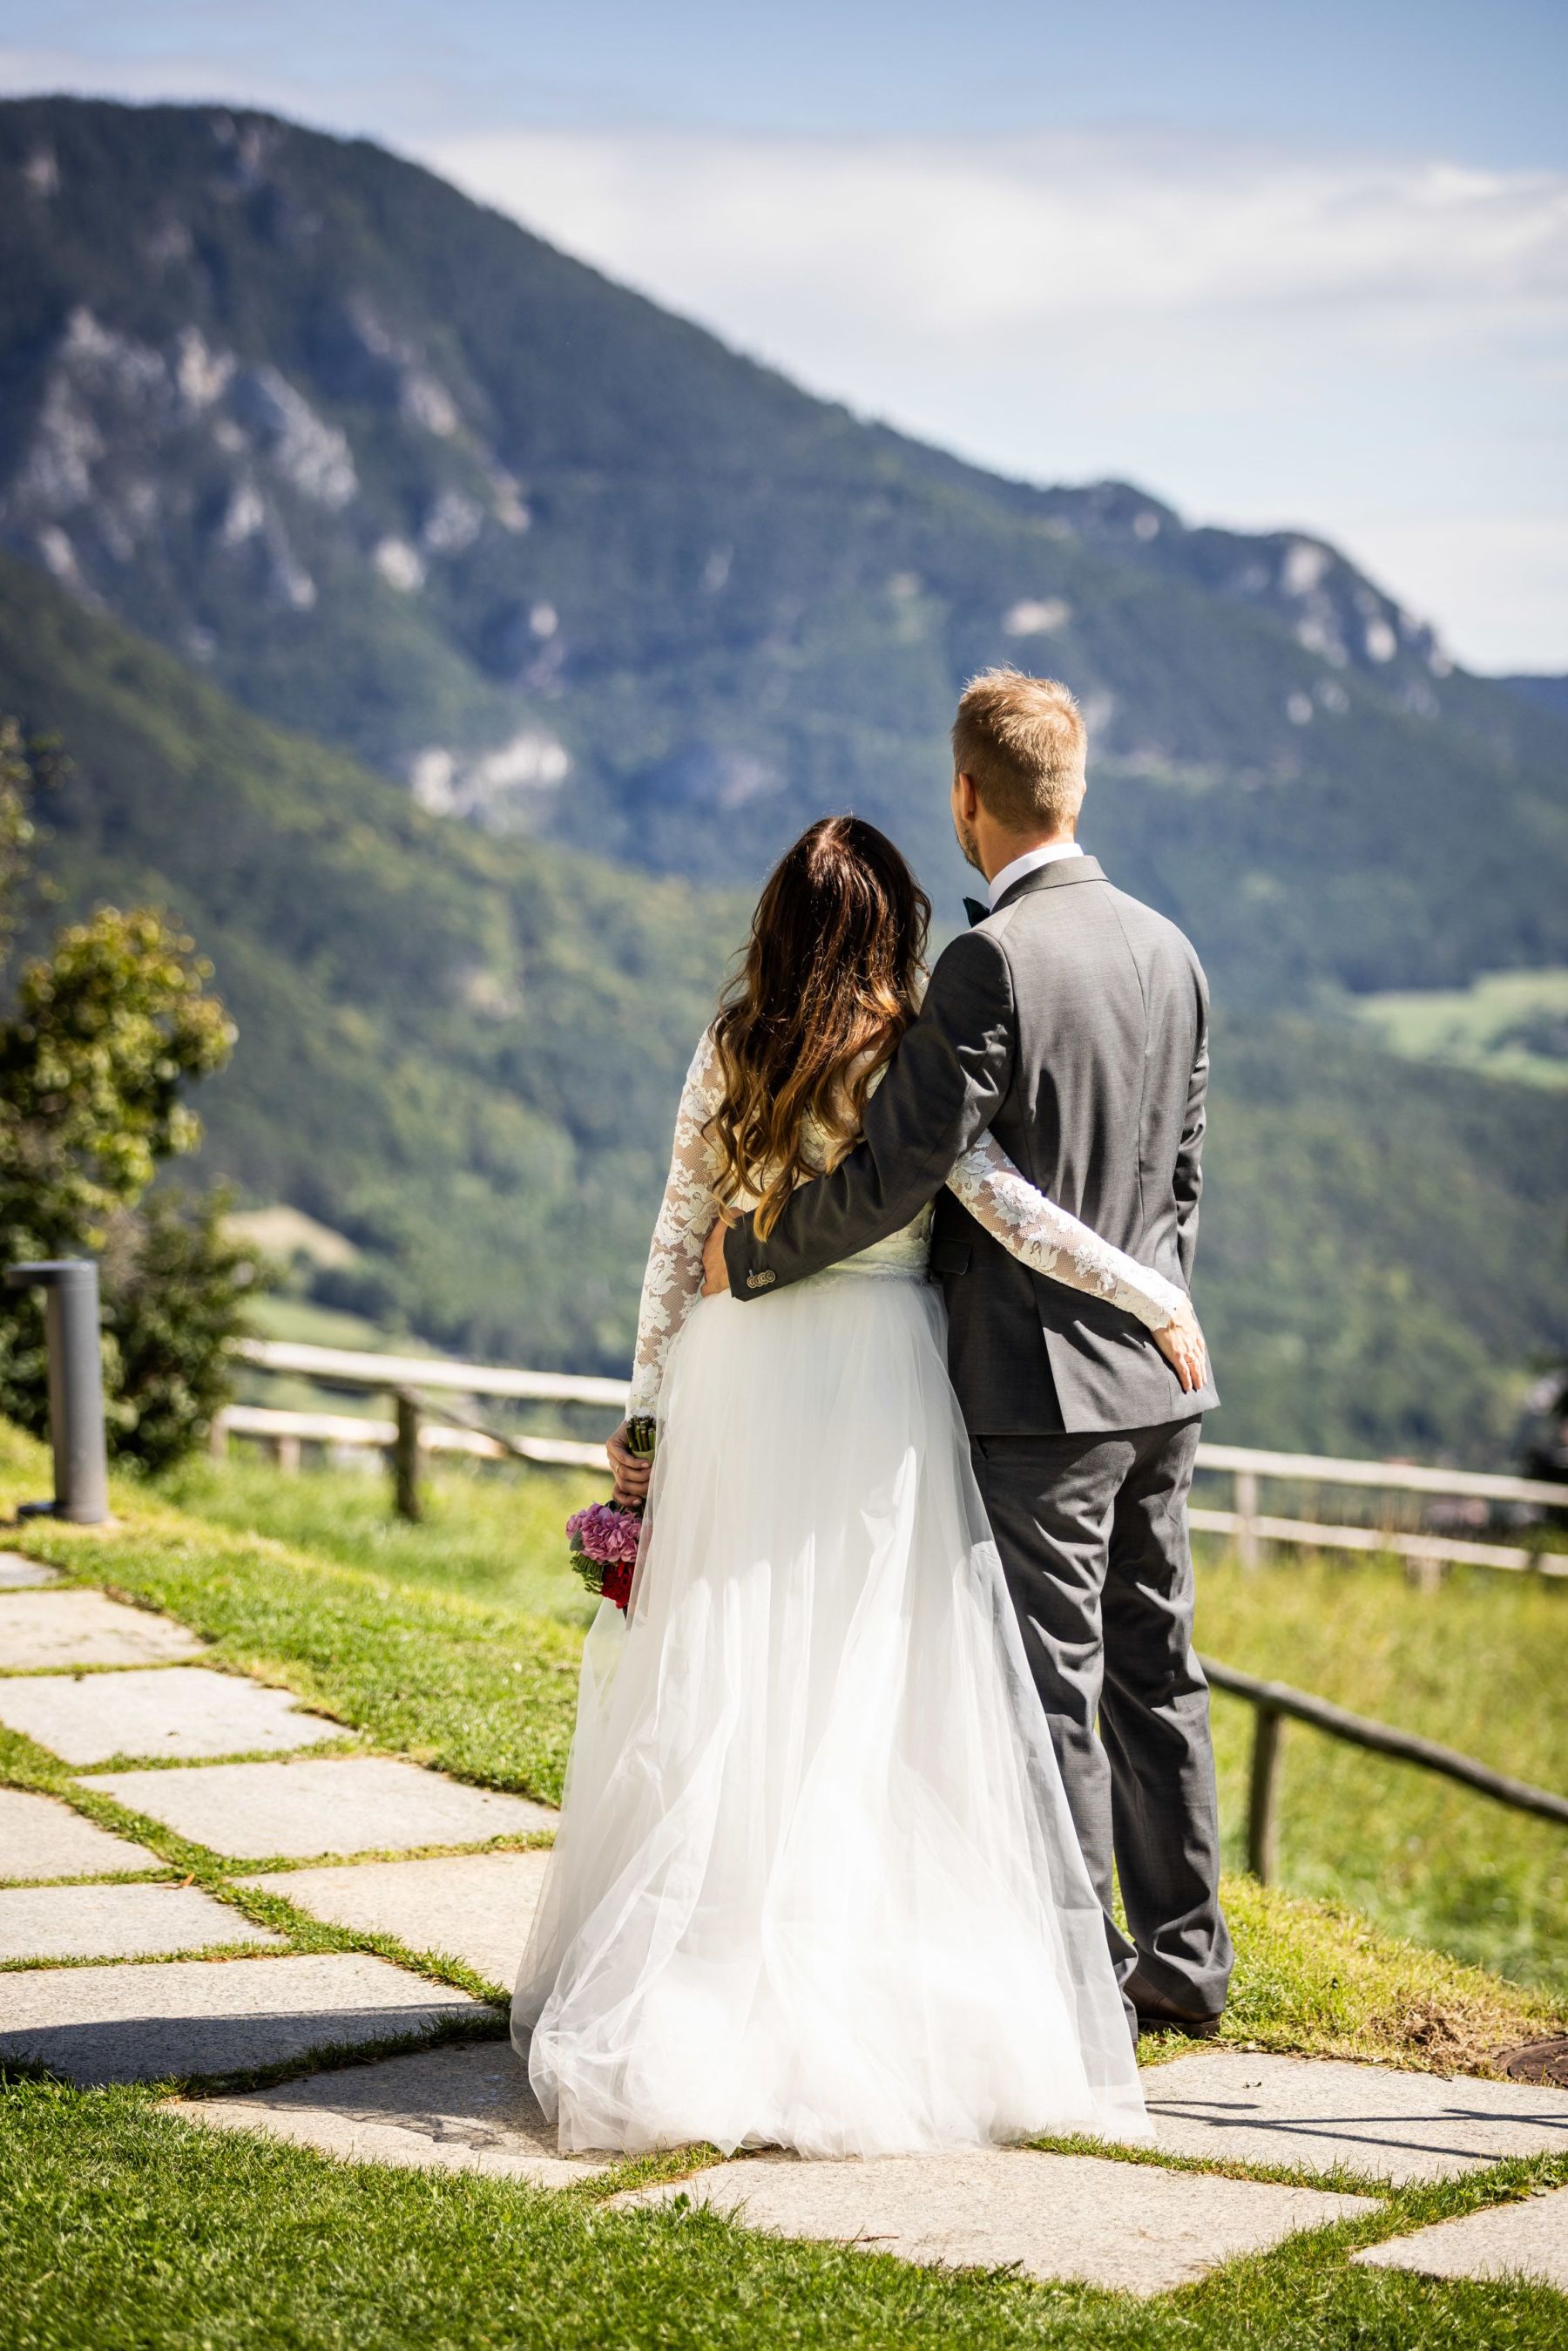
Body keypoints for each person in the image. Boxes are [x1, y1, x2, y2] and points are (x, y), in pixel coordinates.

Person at [514, 794, 1208, 2158]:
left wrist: (643, 1419)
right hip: (884, 1382)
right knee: (867, 1675)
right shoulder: (909, 1054)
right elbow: (1007, 1207)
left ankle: (713, 1950)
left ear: (778, 927)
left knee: (730, 1671)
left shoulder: (731, 1046)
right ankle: (850, 1954)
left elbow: (675, 1239)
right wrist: (1152, 1292)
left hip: (736, 1373)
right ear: (892, 927)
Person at [709, 670, 1233, 2043]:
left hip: (1036, 1391)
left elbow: (902, 1170)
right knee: (1158, 1666)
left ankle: (1073, 1982)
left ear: (965, 797)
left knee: (1051, 1681)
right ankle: (1186, 1961)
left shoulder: (988, 961)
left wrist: (752, 1253)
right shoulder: (1172, 949)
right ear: (1075, 787)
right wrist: (1152, 1308)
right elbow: (1180, 1177)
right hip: (1162, 1378)